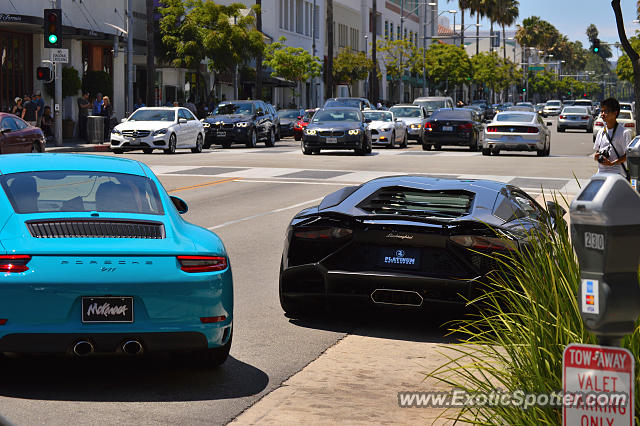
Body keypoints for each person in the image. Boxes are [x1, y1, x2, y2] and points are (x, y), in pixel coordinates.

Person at [593, 97, 631, 178]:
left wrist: (612, 163)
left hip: (617, 174)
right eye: (602, 111)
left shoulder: (624, 132)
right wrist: (597, 156)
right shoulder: (601, 132)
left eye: (606, 111)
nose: (602, 114)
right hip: (601, 173)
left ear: (615, 113)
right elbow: (597, 152)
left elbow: (628, 155)